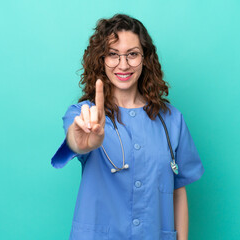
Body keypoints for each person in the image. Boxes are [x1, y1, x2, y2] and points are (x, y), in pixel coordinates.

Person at [51, 14, 204, 240]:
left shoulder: (171, 120)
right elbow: (74, 142)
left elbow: (178, 190)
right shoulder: (86, 116)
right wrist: (79, 142)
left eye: (132, 54)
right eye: (113, 55)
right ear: (101, 60)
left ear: (145, 58)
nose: (123, 64)